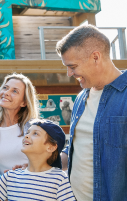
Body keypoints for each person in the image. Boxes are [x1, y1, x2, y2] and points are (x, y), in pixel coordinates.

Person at [56, 24, 127, 200]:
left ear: (95, 57)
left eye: (72, 66)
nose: (69, 73)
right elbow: (80, 144)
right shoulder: (81, 97)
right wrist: (40, 163)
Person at [0, 73, 39, 174]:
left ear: (24, 102)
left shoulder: (37, 129)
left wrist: (31, 167)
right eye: (5, 88)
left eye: (14, 91)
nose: (6, 93)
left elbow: (50, 162)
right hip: (3, 189)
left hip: (32, 187)